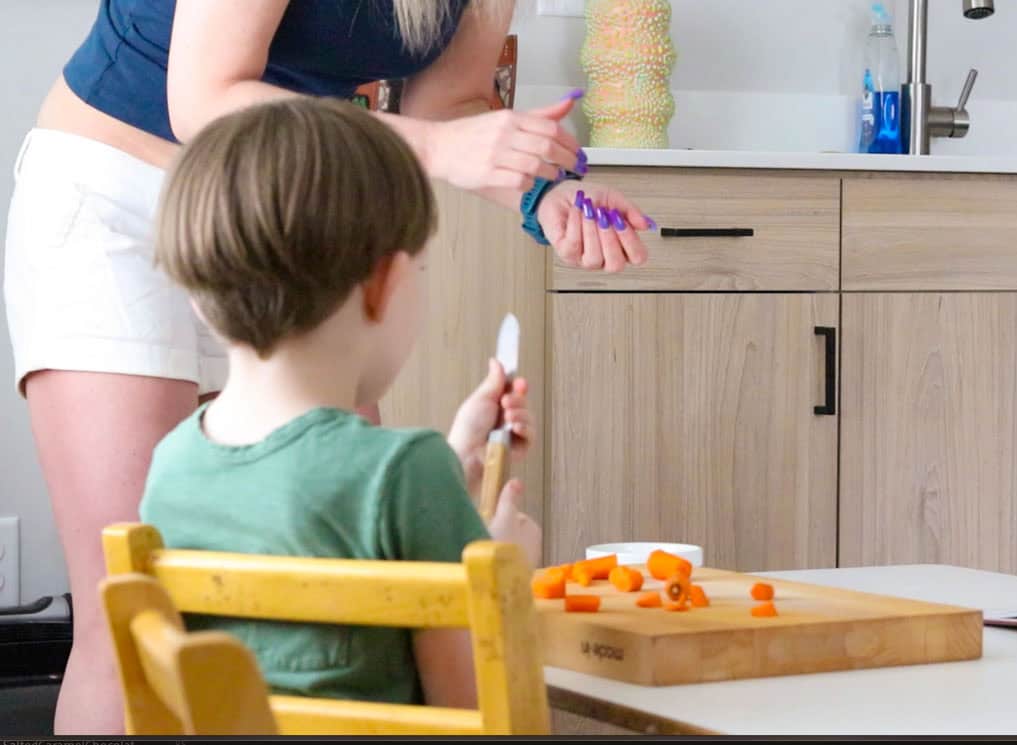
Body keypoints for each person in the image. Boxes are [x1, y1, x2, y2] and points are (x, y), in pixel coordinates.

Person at [4, 0, 650, 734]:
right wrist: (498, 565)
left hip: (287, 211)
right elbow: (206, 97)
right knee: (124, 611)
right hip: (119, 194)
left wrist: (547, 192)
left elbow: (447, 108)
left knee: (346, 588)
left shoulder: (406, 472)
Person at [142, 96, 541, 711]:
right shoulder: (405, 470)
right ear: (384, 285)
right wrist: (503, 575)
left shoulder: (170, 466)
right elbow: (477, 711)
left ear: (198, 297)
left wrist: (451, 467)